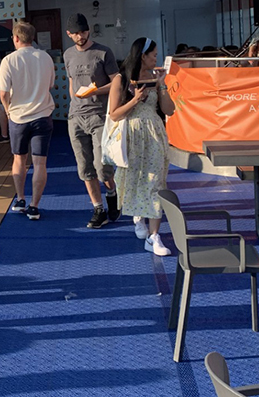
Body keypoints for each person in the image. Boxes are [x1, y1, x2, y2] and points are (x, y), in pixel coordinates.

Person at [107, 36, 176, 256]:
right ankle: (138, 216)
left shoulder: (155, 78)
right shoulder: (122, 79)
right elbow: (114, 114)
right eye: (153, 55)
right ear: (143, 56)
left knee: (156, 182)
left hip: (154, 134)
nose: (156, 58)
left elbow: (169, 110)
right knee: (135, 178)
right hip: (132, 135)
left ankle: (154, 236)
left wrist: (162, 84)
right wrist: (134, 99)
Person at [63, 13, 121, 228]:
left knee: (101, 166)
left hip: (99, 115)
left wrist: (96, 91)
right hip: (76, 116)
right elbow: (72, 82)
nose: (81, 36)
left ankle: (112, 193)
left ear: (88, 30)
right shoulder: (68, 55)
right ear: (69, 34)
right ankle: (98, 208)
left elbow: (117, 82)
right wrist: (74, 103)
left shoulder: (103, 52)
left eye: (83, 32)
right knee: (84, 167)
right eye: (76, 33)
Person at [0, 21, 55, 221]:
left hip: (18, 117)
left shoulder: (9, 60)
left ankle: (20, 198)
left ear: (16, 38)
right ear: (32, 37)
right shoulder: (45, 57)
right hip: (42, 115)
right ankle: (34, 206)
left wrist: (7, 110)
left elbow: (3, 93)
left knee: (19, 159)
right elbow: (50, 85)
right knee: (40, 163)